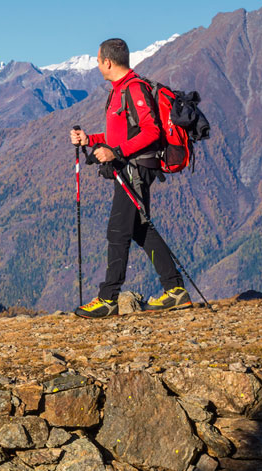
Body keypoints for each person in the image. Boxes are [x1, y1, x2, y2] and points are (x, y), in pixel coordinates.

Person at [69, 38, 189, 318]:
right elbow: (118, 136)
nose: (98, 65)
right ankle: (175, 290)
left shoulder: (133, 89)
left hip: (135, 169)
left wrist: (116, 152)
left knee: (117, 230)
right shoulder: (119, 90)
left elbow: (151, 131)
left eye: (98, 61)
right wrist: (91, 139)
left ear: (107, 62)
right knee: (139, 228)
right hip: (128, 166)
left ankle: (108, 298)